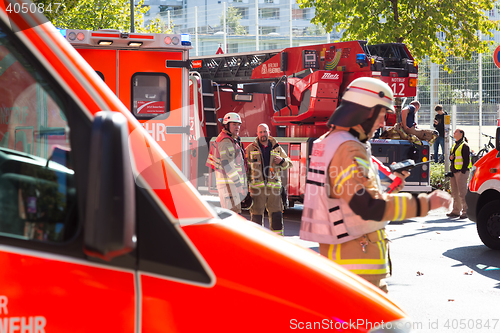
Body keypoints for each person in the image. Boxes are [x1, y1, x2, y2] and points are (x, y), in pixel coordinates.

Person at [299, 77, 452, 292]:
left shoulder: (334, 141)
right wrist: (425, 203)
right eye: (381, 116)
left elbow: (350, 197)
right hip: (358, 270)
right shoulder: (348, 149)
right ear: (366, 112)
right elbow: (369, 206)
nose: (382, 124)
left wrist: (393, 185)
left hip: (348, 262)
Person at [246, 124, 292, 235]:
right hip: (257, 191)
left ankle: (278, 244)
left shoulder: (277, 148)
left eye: (265, 132)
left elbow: (289, 164)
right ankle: (256, 244)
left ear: (269, 132)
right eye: (260, 132)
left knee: (276, 217)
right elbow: (245, 170)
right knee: (256, 218)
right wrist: (245, 189)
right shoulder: (250, 149)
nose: (263, 134)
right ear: (257, 134)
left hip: (274, 190)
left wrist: (282, 161)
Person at [206, 112, 248, 214]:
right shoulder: (226, 142)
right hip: (230, 186)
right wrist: (238, 184)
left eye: (238, 124)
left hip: (230, 186)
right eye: (234, 124)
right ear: (226, 125)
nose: (237, 127)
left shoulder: (231, 140)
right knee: (233, 216)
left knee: (233, 216)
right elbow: (227, 165)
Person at [446, 128, 472, 219]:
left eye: (456, 132)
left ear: (461, 134)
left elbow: (466, 160)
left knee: (462, 192)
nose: (454, 133)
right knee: (455, 192)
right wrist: (451, 158)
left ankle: (465, 211)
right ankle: (456, 210)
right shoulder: (455, 145)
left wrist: (463, 171)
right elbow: (453, 158)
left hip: (461, 172)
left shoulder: (464, 146)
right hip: (454, 172)